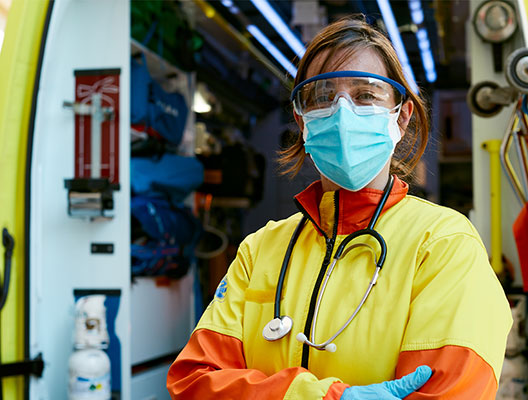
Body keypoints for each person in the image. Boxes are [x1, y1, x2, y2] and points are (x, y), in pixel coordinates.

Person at [167, 16, 512, 399]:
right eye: (322, 97)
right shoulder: (260, 250)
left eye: (365, 95)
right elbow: (193, 382)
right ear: (302, 121)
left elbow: (452, 391)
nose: (342, 113)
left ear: (401, 116)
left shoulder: (444, 244)